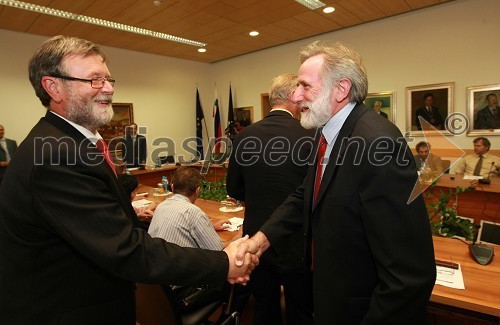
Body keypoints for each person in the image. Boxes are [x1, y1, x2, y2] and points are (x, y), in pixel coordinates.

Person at [0, 35, 256, 324]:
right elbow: (125, 249)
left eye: (108, 79)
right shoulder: (57, 156)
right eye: (94, 80)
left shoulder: (67, 144)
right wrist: (223, 263)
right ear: (53, 87)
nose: (108, 89)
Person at [234, 41, 436, 324]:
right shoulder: (324, 131)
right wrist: (260, 240)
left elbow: (410, 275)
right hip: (328, 298)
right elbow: (305, 194)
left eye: (305, 85)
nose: (296, 94)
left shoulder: (377, 144)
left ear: (341, 89)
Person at [226, 73, 315, 325]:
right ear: (293, 98)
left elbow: (234, 188)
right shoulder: (312, 135)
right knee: (301, 309)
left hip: (256, 239)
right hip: (298, 239)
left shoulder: (244, 136)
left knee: (264, 306)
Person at [148, 166, 236, 313]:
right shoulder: (193, 213)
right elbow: (220, 253)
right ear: (198, 191)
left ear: (172, 187)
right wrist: (238, 237)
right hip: (180, 294)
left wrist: (210, 227)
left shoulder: (161, 206)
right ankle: (227, 318)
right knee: (234, 279)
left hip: (157, 290)